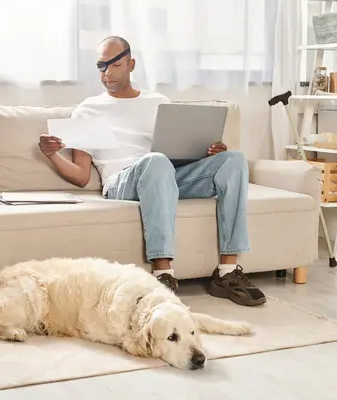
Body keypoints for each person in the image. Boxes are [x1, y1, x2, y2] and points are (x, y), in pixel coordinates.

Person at [38, 36, 266, 306]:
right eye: (101, 66)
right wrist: (52, 154)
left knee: (234, 160)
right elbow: (81, 175)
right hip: (122, 182)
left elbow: (177, 155)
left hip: (165, 176)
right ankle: (163, 273)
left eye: (115, 65)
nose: (107, 73)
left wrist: (207, 153)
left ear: (131, 64)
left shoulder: (159, 102)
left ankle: (228, 273)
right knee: (155, 161)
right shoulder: (88, 109)